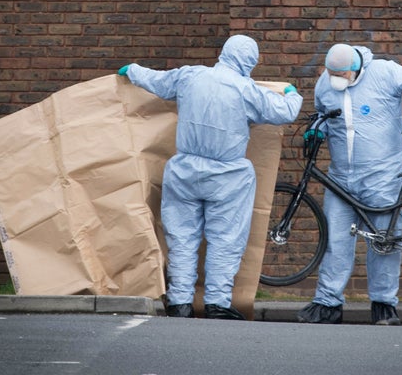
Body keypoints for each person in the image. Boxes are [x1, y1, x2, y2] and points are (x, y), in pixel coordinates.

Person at [118, 34, 303, 320]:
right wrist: (292, 92)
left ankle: (180, 302)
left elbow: (155, 80)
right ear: (249, 62)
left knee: (181, 237)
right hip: (227, 176)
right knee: (225, 239)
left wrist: (131, 70)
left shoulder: (190, 76)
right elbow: (285, 111)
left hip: (185, 172)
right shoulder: (246, 89)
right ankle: (217, 302)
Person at [297, 43, 402, 325]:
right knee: (334, 239)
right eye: (331, 73)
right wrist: (315, 131)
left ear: (356, 68)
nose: (336, 79)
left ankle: (384, 304)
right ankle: (327, 303)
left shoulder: (384, 72)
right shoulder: (325, 83)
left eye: (341, 74)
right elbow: (323, 114)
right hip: (340, 177)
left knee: (384, 240)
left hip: (382, 174)